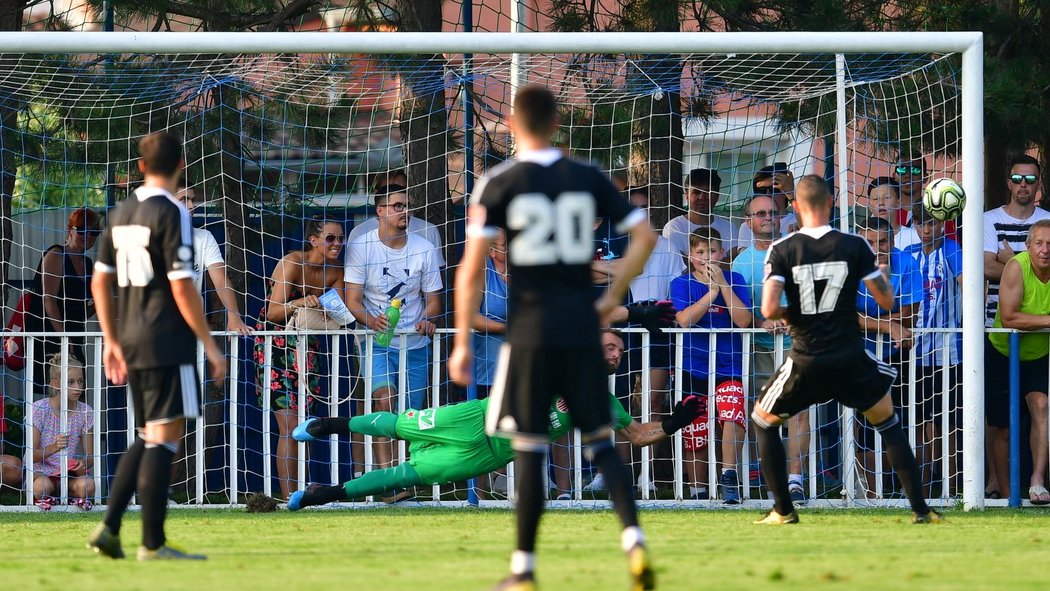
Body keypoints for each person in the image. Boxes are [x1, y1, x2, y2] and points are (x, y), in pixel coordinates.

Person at [448, 84, 657, 591]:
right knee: (603, 442)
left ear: (515, 125)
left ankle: (523, 569)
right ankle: (634, 540)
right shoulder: (587, 177)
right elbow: (646, 236)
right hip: (582, 329)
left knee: (530, 447)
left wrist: (460, 339)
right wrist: (612, 298)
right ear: (558, 124)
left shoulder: (500, 181)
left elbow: (472, 269)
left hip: (530, 331)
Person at [289, 329, 701, 509]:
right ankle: (328, 425)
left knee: (406, 475)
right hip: (472, 418)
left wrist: (674, 422)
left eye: (620, 351)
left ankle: (323, 495)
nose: (615, 354)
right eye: (610, 346)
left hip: (491, 453)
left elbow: (638, 435)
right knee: (399, 423)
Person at [751, 174, 940, 525]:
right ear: (830, 205)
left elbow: (768, 310)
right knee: (889, 422)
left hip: (807, 355)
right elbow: (885, 300)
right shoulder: (856, 245)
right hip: (851, 354)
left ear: (795, 207)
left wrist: (795, 313)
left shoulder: (783, 249)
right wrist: (881, 275)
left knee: (762, 421)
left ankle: (782, 510)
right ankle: (921, 510)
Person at [88, 131, 225, 560]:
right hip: (167, 337)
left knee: (150, 433)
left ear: (141, 167)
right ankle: (152, 543)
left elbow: (99, 281)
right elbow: (183, 286)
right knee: (165, 436)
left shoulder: (121, 212)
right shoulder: (173, 212)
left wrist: (111, 340)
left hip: (130, 335)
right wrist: (210, 344)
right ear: (181, 165)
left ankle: (110, 527)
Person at [344, 184, 442, 477]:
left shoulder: (424, 248)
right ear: (381, 211)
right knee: (384, 400)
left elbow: (435, 299)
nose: (405, 211)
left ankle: (406, 476)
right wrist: (370, 320)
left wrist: (427, 319)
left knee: (410, 416)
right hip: (378, 341)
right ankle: (386, 480)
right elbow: (352, 300)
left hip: (415, 343)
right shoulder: (362, 246)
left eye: (407, 206)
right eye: (398, 206)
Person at [253, 217, 346, 499]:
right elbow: (272, 314)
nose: (337, 244)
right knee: (288, 424)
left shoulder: (336, 271)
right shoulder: (292, 262)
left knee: (305, 423)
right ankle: (288, 495)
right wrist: (299, 302)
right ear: (313, 240)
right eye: (330, 238)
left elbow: (339, 313)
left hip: (307, 346)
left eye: (341, 239)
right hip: (276, 345)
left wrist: (330, 310)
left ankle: (302, 490)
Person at [731, 194, 809, 504]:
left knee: (798, 413)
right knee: (761, 416)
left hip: (795, 346)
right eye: (760, 213)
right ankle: (764, 475)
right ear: (748, 222)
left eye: (773, 212)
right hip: (757, 350)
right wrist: (761, 323)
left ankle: (795, 480)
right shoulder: (739, 262)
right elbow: (738, 310)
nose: (768, 217)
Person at [670, 228, 752, 503]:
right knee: (696, 428)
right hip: (693, 365)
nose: (707, 257)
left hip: (728, 365)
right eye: (701, 252)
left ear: (723, 253)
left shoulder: (736, 279)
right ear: (691, 257)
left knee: (732, 412)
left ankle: (729, 475)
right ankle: (698, 490)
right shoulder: (681, 284)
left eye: (713, 251)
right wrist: (711, 293)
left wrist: (723, 287)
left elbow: (743, 320)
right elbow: (684, 319)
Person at [986, 219, 1050, 505]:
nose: (1045, 250)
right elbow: (1010, 317)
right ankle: (1009, 496)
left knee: (1041, 406)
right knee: (1004, 427)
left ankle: (1037, 481)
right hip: (1003, 352)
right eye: (1039, 243)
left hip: (1039, 354)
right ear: (1028, 246)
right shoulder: (1016, 267)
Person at [902, 202, 963, 495]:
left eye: (933, 223)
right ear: (913, 225)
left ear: (943, 224)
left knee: (946, 421)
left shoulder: (952, 251)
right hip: (913, 353)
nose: (927, 229)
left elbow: (968, 286)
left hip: (948, 352)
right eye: (921, 223)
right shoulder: (908, 255)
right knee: (920, 421)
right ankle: (923, 484)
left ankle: (951, 484)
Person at [24, 207, 102, 391]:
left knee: (76, 396)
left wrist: (102, 302)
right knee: (52, 400)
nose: (88, 236)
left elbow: (80, 313)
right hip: (50, 337)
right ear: (69, 230)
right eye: (82, 229)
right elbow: (48, 302)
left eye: (94, 232)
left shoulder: (88, 264)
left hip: (74, 339)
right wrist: (63, 339)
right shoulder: (56, 255)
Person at [176, 183, 251, 335]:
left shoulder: (204, 237)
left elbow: (220, 280)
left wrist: (234, 317)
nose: (191, 206)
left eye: (192, 200)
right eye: (184, 200)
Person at [984, 154, 1050, 326]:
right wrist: (1035, 268)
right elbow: (987, 267)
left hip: (1043, 323)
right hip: (997, 324)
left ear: (1039, 184)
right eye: (1016, 178)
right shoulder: (989, 219)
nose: (1023, 184)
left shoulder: (1048, 221)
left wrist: (1011, 261)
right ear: (1009, 183)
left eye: (1030, 179)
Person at [30, 354, 94, 511]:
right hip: (41, 473)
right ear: (55, 384)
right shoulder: (39, 408)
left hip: (68, 474)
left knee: (88, 486)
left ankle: (67, 498)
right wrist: (54, 447)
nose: (78, 387)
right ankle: (47, 498)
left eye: (80, 381)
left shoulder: (85, 411)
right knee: (41, 487)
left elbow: (90, 457)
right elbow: (31, 455)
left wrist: (82, 465)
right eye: (71, 382)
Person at [662, 168, 737, 258]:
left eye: (707, 192)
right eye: (696, 192)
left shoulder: (729, 227)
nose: (702, 197)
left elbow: (734, 263)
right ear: (687, 196)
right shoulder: (674, 227)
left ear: (717, 196)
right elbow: (680, 265)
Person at [472, 230, 509, 399]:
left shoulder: (530, 270)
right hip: (489, 372)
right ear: (492, 251)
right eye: (506, 245)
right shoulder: (481, 270)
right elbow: (472, 318)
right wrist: (507, 328)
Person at [737, 164, 796, 244]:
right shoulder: (749, 225)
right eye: (761, 190)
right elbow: (746, 255)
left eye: (773, 189)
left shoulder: (798, 220)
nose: (768, 194)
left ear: (785, 192)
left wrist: (791, 193)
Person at [858, 177, 920, 251]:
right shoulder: (859, 239)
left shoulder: (915, 237)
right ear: (869, 205)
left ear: (899, 202)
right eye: (875, 199)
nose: (881, 203)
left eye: (887, 197)